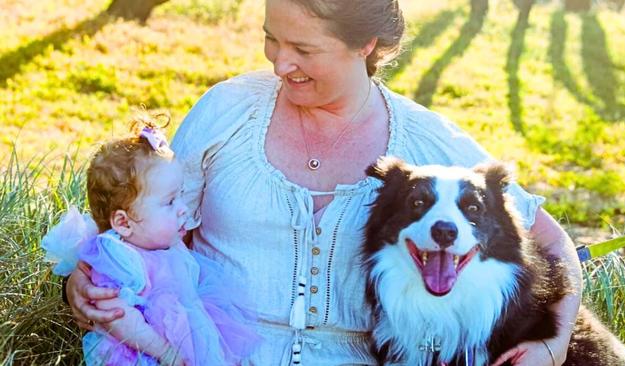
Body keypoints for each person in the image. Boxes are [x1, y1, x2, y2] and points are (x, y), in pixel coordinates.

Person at [64, 0, 583, 364]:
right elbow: (146, 219)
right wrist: (84, 284)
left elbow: (553, 243)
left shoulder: (428, 147)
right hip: (209, 354)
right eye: (271, 37)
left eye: (304, 49)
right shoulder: (227, 111)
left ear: (366, 45)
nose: (280, 62)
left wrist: (554, 345)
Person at [43, 114, 258, 365]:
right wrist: (167, 354)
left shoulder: (164, 245)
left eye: (180, 196)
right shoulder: (120, 257)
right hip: (145, 354)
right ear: (124, 223)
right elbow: (118, 316)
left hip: (186, 340)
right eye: (169, 202)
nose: (182, 209)